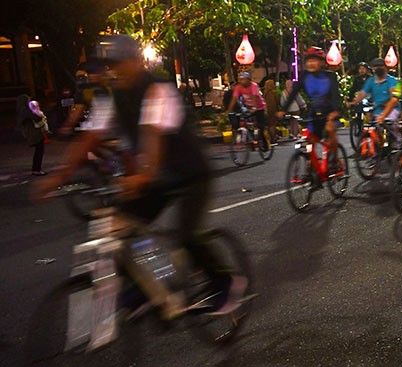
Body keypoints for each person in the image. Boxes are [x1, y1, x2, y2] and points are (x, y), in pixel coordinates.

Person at [34, 34, 247, 316]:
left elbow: (152, 134)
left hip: (191, 173)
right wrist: (58, 177)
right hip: (158, 177)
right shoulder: (114, 96)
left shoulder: (157, 89)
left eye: (118, 64)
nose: (114, 71)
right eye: (110, 65)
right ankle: (144, 289)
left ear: (136, 63)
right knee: (118, 227)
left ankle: (225, 282)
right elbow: (89, 139)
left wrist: (141, 177)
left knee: (187, 235)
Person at [278, 47, 341, 154]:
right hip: (313, 114)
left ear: (321, 62)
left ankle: (335, 159)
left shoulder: (330, 76)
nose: (311, 63)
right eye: (309, 61)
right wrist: (283, 110)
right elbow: (293, 93)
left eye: (314, 60)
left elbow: (336, 96)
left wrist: (335, 112)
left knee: (331, 132)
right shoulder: (304, 76)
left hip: (329, 112)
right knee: (310, 140)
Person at [350, 58, 399, 143]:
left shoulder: (391, 81)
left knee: (391, 127)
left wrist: (385, 110)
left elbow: (394, 98)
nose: (378, 68)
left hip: (391, 109)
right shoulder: (371, 81)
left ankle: (396, 145)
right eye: (375, 66)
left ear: (385, 68)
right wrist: (353, 102)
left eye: (380, 66)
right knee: (372, 127)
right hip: (377, 109)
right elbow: (363, 93)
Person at [226, 71, 269, 149]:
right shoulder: (238, 87)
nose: (242, 81)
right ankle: (251, 138)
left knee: (261, 126)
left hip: (259, 107)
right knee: (245, 122)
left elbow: (254, 97)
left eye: (244, 79)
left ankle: (263, 141)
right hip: (248, 107)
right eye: (240, 79)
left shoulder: (254, 86)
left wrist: (254, 108)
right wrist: (229, 110)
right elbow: (234, 99)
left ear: (248, 80)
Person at [17, 94, 48, 175]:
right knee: (39, 150)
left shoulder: (21, 110)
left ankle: (36, 169)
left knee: (39, 150)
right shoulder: (25, 110)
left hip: (32, 133)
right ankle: (36, 170)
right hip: (34, 134)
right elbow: (37, 118)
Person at [262, 79, 281, 144]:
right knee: (273, 125)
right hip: (273, 110)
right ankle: (273, 139)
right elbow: (278, 101)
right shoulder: (274, 92)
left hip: (267, 110)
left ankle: (271, 138)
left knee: (270, 125)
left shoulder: (265, 93)